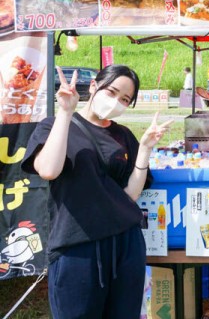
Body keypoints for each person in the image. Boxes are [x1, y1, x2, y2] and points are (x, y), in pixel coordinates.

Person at [21, 65, 173, 318]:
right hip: (77, 247)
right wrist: (66, 112)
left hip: (126, 243)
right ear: (94, 86)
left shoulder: (123, 135)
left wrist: (144, 149)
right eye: (112, 92)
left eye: (125, 99)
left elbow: (130, 195)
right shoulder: (52, 126)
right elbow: (48, 170)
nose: (116, 102)